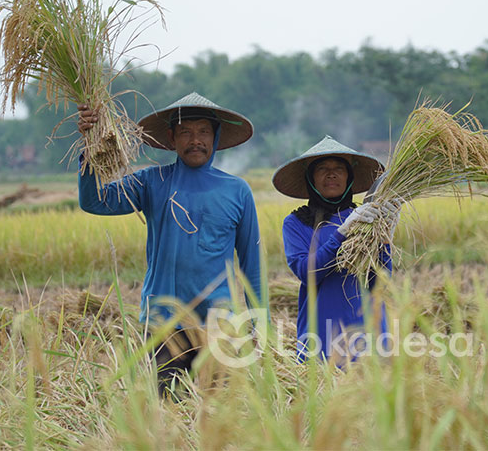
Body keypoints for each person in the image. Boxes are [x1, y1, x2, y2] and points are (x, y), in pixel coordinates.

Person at [77, 92, 262, 395]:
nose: (195, 140)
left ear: (215, 137)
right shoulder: (152, 182)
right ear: (171, 137)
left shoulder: (237, 191)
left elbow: (251, 263)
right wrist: (89, 143)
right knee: (166, 413)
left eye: (203, 132)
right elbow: (95, 201)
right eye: (186, 132)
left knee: (218, 418)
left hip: (219, 325)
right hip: (164, 325)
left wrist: (258, 321)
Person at [272, 136, 401, 362]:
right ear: (310, 178)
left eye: (339, 168)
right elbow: (308, 273)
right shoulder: (296, 223)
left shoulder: (367, 218)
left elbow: (379, 283)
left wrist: (385, 241)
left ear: (349, 177)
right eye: (322, 168)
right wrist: (342, 233)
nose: (331, 174)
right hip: (321, 340)